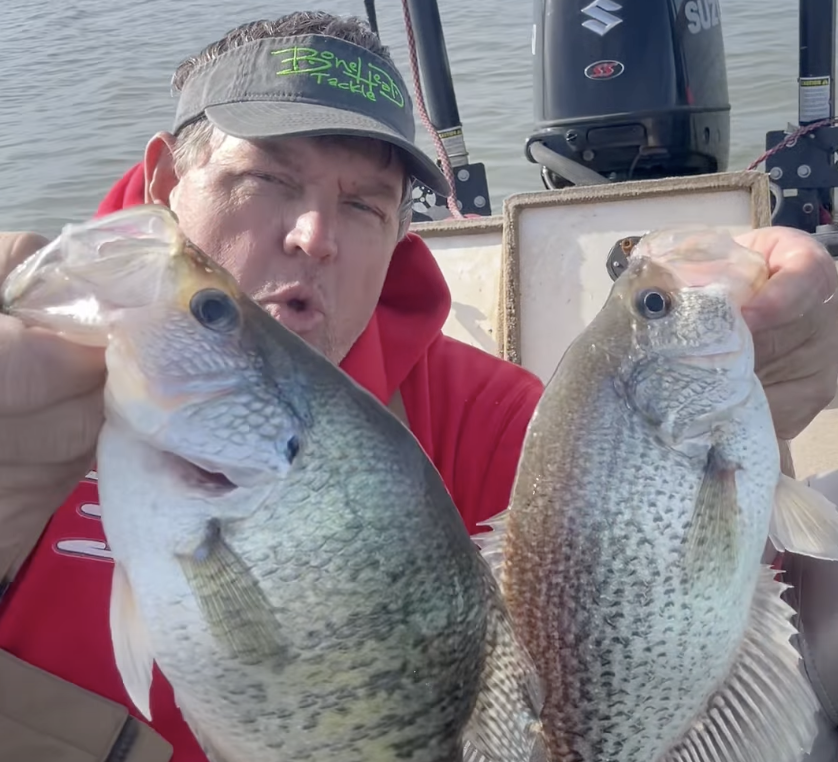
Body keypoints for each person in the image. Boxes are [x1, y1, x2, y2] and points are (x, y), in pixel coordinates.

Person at [0, 9, 837, 762]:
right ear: (161, 184)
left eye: (365, 205)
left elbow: (661, 588)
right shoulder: (23, 357)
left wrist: (762, 387)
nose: (315, 234)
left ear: (403, 228)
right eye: (266, 180)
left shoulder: (491, 417)